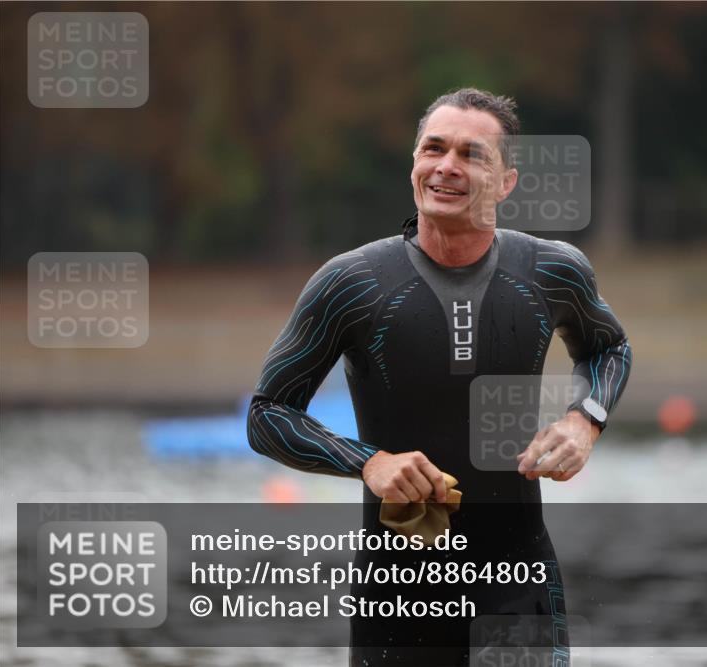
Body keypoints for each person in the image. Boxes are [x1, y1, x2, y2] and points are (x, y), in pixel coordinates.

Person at [247, 87, 632, 666]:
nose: (447, 166)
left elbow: (611, 347)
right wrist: (369, 462)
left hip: (517, 589)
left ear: (506, 182)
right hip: (397, 601)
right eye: (434, 148)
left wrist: (585, 420)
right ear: (414, 166)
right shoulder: (351, 283)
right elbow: (267, 413)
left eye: (472, 154)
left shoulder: (551, 271)